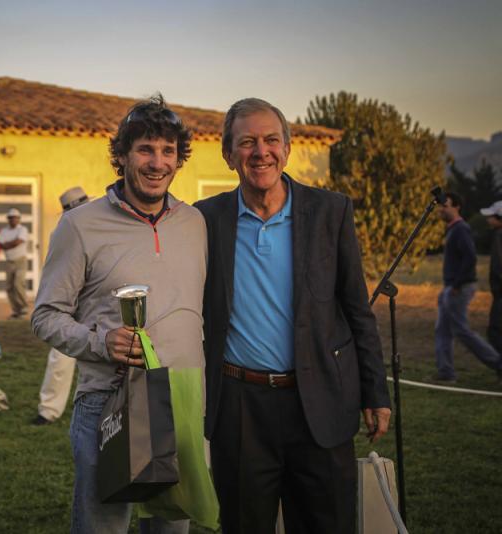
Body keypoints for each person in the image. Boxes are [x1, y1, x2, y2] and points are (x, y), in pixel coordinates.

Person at [194, 98, 391, 533]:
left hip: (320, 400)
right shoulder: (205, 219)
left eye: (270, 140)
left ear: (287, 147)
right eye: (247, 142)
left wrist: (375, 392)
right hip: (240, 408)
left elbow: (357, 309)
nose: (260, 152)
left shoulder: (330, 212)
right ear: (228, 154)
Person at [32, 95, 202, 534]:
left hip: (181, 402)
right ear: (122, 155)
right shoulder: (79, 225)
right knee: (102, 528)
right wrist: (100, 342)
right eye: (145, 149)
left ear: (179, 159)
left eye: (168, 151)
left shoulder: (195, 223)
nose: (157, 162)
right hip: (109, 403)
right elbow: (46, 314)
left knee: (170, 528)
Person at [33, 186, 90, 426]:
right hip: (71, 302)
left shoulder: (101, 225)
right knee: (61, 357)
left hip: (99, 301)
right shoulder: (62, 232)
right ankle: (49, 410)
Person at [434, 193, 502, 383]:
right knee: (443, 330)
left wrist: (457, 285)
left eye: (445, 206)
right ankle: (445, 373)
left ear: (457, 207)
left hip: (459, 288)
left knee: (462, 331)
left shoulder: (461, 229)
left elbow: (470, 258)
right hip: (450, 287)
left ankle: (498, 363)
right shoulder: (453, 229)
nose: (441, 209)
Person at [481, 200, 502, 373]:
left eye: (492, 216)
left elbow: (498, 266)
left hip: (500, 293)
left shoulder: (499, 236)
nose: (488, 220)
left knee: (495, 331)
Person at [0, 208, 29, 318]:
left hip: (21, 260)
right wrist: (12, 243)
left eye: (15, 218)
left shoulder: (22, 229)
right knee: (9, 287)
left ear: (19, 219)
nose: (13, 220)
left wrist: (8, 244)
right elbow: (1, 245)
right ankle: (16, 310)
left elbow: (18, 242)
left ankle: (23, 307)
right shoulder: (4, 231)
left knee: (18, 283)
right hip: (9, 261)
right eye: (11, 218)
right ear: (8, 219)